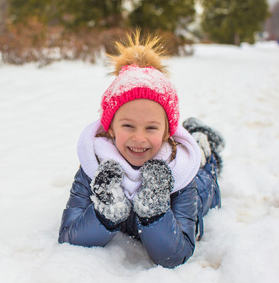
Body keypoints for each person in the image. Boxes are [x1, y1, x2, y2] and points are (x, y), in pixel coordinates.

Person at [58, 31, 225, 268]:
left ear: (168, 133)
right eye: (128, 126)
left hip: (201, 185)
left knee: (206, 169)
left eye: (151, 128)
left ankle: (205, 143)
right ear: (111, 127)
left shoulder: (181, 170)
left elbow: (177, 254)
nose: (139, 138)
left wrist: (155, 211)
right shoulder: (95, 163)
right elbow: (68, 237)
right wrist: (105, 213)